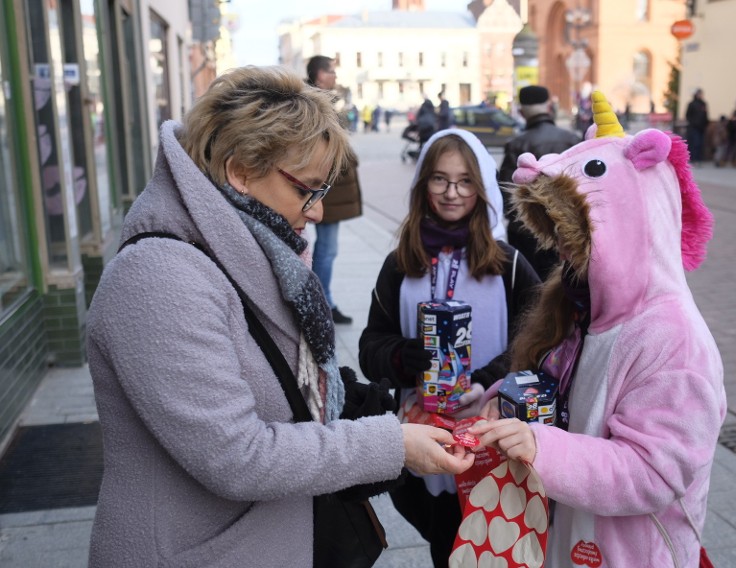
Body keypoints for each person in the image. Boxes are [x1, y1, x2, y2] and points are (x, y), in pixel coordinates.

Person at [85, 66, 474, 568]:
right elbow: (236, 455)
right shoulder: (160, 277)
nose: (316, 212)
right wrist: (391, 444)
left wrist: (391, 411)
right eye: (306, 189)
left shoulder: (250, 250)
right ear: (240, 170)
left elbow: (291, 383)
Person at [469, 93, 725, 568]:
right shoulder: (583, 306)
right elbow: (558, 393)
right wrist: (504, 397)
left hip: (635, 552)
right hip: (579, 538)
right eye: (558, 236)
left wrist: (540, 447)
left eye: (575, 235)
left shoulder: (674, 338)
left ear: (626, 228)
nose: (563, 252)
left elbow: (653, 471)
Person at [358, 129, 540, 567]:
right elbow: (371, 345)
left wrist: (486, 380)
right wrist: (405, 357)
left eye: (464, 181)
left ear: (481, 187)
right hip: (427, 438)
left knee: (492, 541)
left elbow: (539, 341)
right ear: (423, 185)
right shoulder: (402, 261)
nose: (452, 192)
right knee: (445, 543)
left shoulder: (507, 262)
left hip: (491, 435)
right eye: (439, 179)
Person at [499, 85, 582, 280]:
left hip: (526, 236)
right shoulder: (572, 140)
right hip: (568, 233)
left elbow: (506, 197)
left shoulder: (517, 144)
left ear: (521, 112)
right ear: (549, 107)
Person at [307, 55, 361, 324]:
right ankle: (323, 302)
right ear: (319, 76)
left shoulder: (320, 102)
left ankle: (321, 299)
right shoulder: (316, 106)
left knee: (326, 247)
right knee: (327, 248)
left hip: (328, 185)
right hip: (325, 186)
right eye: (331, 72)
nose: (335, 77)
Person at [685, 88, 709, 164]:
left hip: (702, 128)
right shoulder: (691, 104)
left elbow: (705, 115)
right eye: (699, 94)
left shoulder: (704, 104)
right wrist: (693, 123)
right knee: (695, 143)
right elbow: (688, 115)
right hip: (694, 127)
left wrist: (706, 123)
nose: (701, 95)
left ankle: (699, 159)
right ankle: (694, 159)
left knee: (701, 144)